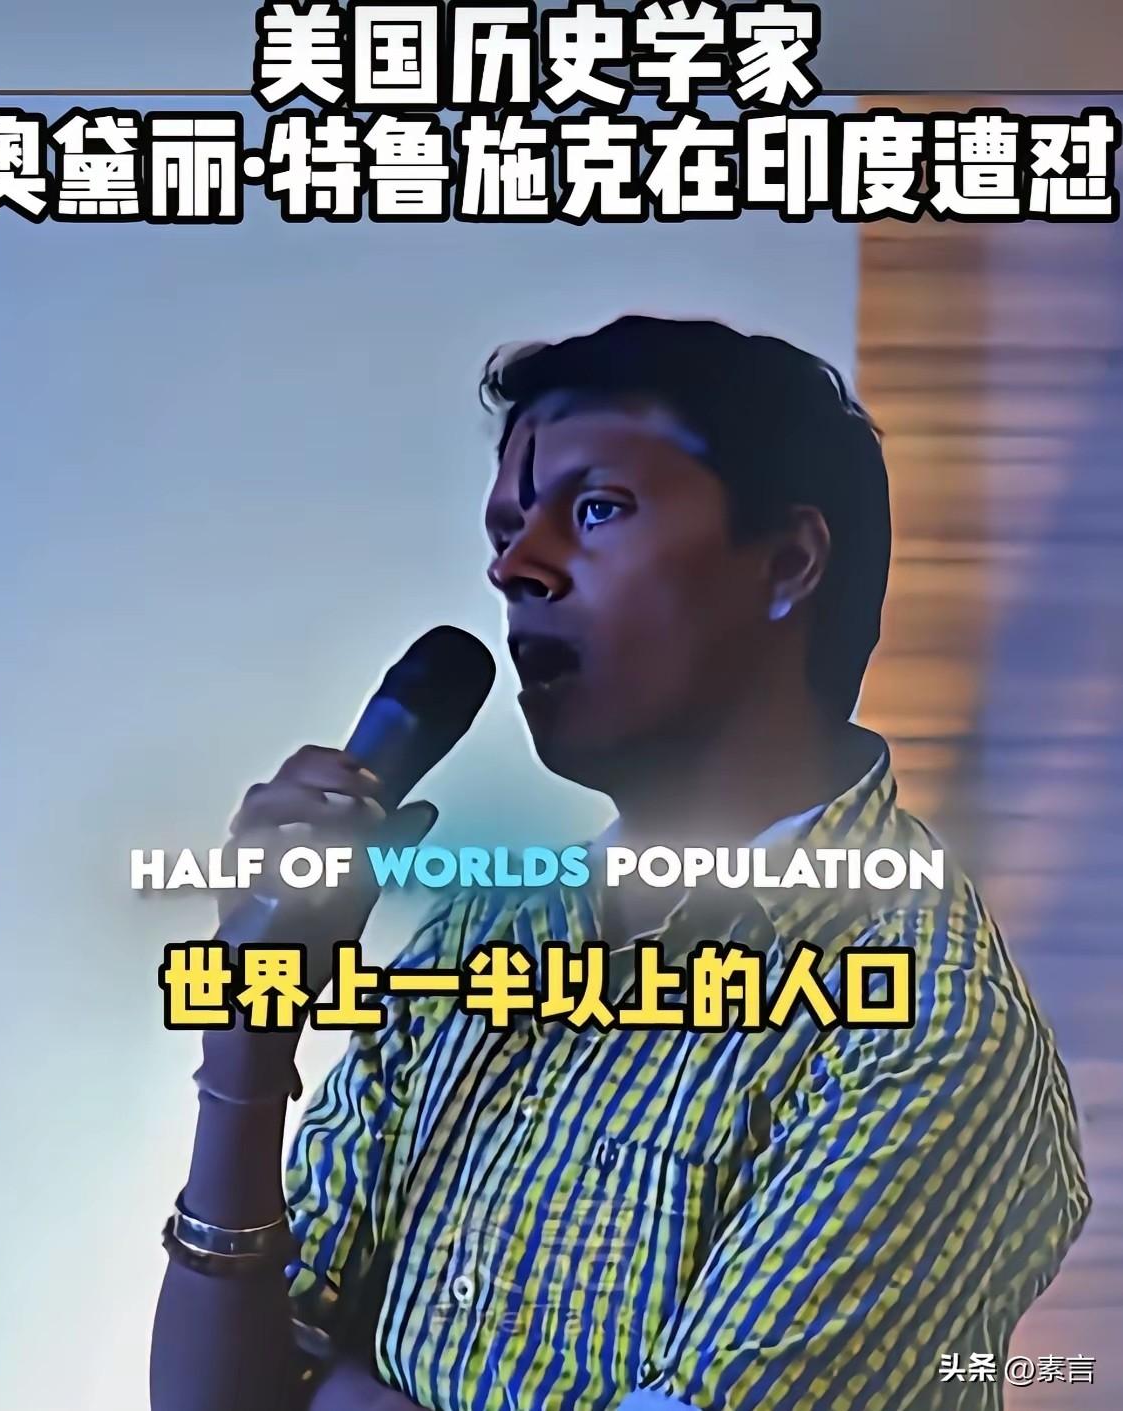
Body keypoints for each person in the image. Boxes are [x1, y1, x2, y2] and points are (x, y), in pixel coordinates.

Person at [150, 316, 1091, 1411]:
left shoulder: (926, 1020)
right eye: (507, 529)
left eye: (596, 509)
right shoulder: (481, 939)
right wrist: (250, 1035)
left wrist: (329, 1394)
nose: (514, 568)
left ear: (788, 562)